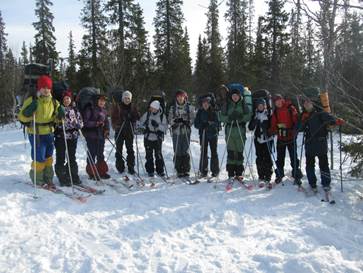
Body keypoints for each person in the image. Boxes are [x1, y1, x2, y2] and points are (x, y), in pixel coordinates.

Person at [18, 75, 64, 187]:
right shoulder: (32, 100)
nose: (46, 90)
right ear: (39, 88)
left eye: (48, 87)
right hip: (36, 133)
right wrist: (28, 112)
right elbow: (22, 117)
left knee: (48, 157)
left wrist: (61, 116)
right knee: (39, 157)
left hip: (49, 132)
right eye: (43, 87)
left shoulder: (54, 102)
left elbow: (58, 119)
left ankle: (48, 178)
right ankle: (38, 180)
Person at [300, 92, 344, 193]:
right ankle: (312, 183)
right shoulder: (303, 114)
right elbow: (299, 128)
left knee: (323, 165)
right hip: (309, 144)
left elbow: (331, 120)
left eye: (308, 102)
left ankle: (326, 183)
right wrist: (301, 123)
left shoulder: (320, 112)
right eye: (305, 103)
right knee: (310, 165)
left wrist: (337, 121)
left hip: (320, 143)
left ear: (312, 103)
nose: (306, 104)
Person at [270, 94, 303, 185]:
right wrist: (271, 130)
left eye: (279, 101)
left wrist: (295, 130)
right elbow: (273, 124)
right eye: (276, 102)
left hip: (291, 137)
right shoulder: (276, 112)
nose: (278, 103)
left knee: (293, 157)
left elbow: (296, 121)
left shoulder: (290, 108)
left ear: (282, 100)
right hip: (281, 138)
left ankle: (296, 175)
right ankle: (279, 174)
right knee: (280, 158)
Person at [221, 88, 252, 178]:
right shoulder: (227, 105)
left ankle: (239, 172)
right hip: (230, 130)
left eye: (236, 96)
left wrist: (241, 117)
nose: (235, 97)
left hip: (240, 131)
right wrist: (229, 118)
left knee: (239, 152)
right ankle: (230, 172)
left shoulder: (243, 104)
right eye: (233, 96)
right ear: (231, 96)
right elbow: (221, 117)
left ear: (239, 96)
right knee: (231, 152)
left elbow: (249, 116)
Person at [54, 90, 83, 187]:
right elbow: (55, 121)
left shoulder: (75, 110)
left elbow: (80, 121)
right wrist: (58, 118)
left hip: (73, 137)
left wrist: (78, 125)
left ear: (71, 99)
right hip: (61, 136)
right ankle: (62, 176)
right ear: (62, 100)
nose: (66, 100)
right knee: (61, 157)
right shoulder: (59, 108)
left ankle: (73, 175)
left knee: (71, 157)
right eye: (65, 99)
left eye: (68, 98)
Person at [82, 93, 111, 180]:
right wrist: (96, 123)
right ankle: (92, 173)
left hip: (101, 135)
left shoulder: (104, 110)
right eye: (100, 100)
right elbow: (85, 122)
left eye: (104, 101)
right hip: (91, 135)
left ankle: (101, 172)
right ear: (96, 101)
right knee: (92, 153)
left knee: (100, 153)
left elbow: (106, 122)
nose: (102, 102)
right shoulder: (90, 109)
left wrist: (107, 130)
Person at [111, 90, 140, 175]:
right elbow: (113, 118)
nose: (127, 100)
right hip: (120, 130)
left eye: (128, 98)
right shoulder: (118, 106)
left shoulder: (133, 107)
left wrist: (132, 117)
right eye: (125, 98)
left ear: (130, 99)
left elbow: (137, 116)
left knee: (130, 149)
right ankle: (120, 167)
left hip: (129, 131)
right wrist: (120, 120)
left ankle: (131, 167)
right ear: (122, 99)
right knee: (119, 149)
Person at [168, 90, 195, 178]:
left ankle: (186, 169)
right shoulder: (173, 108)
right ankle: (179, 169)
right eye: (178, 96)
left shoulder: (189, 107)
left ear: (185, 97)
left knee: (185, 150)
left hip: (186, 131)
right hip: (176, 132)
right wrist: (175, 121)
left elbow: (192, 118)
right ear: (176, 98)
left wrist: (187, 122)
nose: (180, 98)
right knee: (177, 150)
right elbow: (170, 119)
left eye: (182, 96)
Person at [138, 100, 167, 177]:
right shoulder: (147, 114)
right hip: (148, 137)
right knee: (149, 155)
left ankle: (160, 170)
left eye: (153, 108)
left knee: (158, 154)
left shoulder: (162, 116)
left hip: (157, 138)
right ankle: (150, 170)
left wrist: (158, 126)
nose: (151, 109)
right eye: (151, 108)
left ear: (157, 109)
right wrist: (143, 128)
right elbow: (140, 123)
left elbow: (165, 128)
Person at [248, 98, 274, 187]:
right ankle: (261, 176)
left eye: (262, 105)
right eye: (259, 105)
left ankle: (268, 175)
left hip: (268, 139)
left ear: (265, 106)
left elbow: (273, 126)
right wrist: (255, 122)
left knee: (267, 157)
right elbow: (250, 127)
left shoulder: (269, 114)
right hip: (258, 139)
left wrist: (268, 130)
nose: (260, 107)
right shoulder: (255, 115)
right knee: (259, 157)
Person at [194, 96, 220, 178]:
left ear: (209, 104)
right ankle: (203, 171)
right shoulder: (200, 112)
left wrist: (210, 124)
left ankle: (215, 171)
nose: (205, 105)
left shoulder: (214, 111)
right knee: (203, 152)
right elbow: (196, 124)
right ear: (202, 104)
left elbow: (218, 123)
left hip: (213, 134)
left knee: (214, 152)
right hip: (203, 134)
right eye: (203, 103)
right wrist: (202, 125)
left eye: (207, 103)